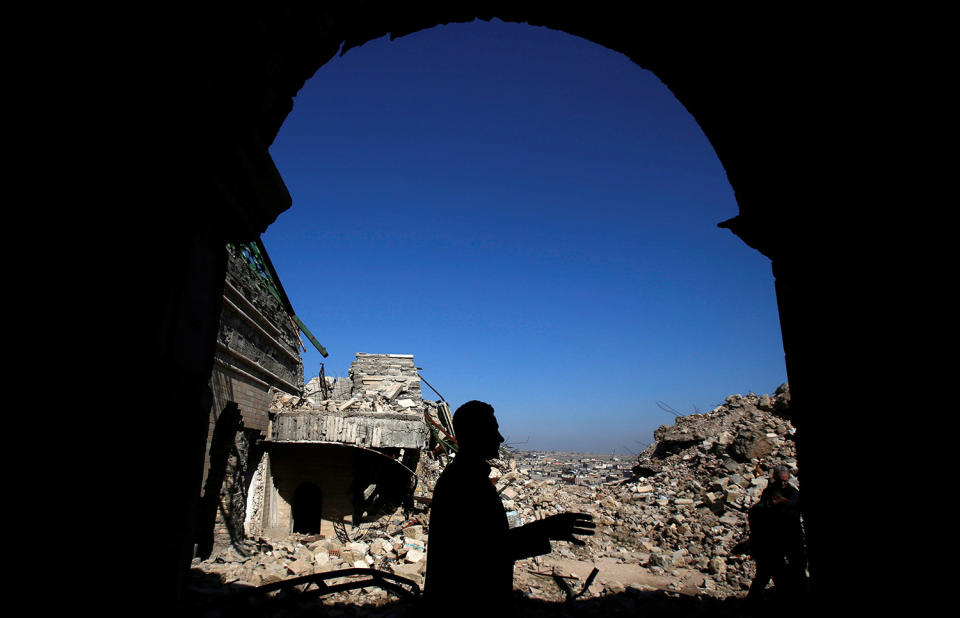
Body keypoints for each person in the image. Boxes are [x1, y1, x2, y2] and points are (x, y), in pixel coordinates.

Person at [424, 401, 595, 615]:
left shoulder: (464, 477)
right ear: (476, 434)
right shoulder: (465, 483)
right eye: (493, 430)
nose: (500, 438)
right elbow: (487, 553)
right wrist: (547, 529)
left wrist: (546, 528)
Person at [746, 466, 806, 609]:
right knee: (770, 572)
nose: (783, 484)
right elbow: (758, 511)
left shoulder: (792, 493)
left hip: (792, 538)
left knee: (797, 569)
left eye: (785, 481)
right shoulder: (769, 493)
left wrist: (779, 502)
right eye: (780, 481)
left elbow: (792, 506)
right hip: (773, 540)